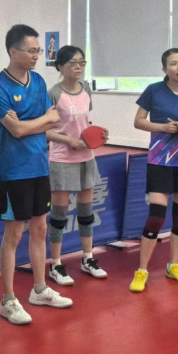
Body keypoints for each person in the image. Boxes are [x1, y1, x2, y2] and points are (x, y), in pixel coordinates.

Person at [0, 24, 72, 324]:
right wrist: (37, 122)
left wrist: (29, 123)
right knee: (13, 234)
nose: (37, 55)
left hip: (40, 167)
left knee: (39, 229)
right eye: (32, 50)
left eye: (38, 51)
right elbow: (17, 131)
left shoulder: (37, 81)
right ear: (14, 52)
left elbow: (52, 120)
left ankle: (39, 289)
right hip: (14, 172)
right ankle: (8, 300)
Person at [130, 48, 178, 292]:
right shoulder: (154, 90)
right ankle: (142, 270)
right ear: (165, 69)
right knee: (156, 216)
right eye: (173, 63)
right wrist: (162, 128)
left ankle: (174, 265)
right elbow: (138, 121)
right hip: (159, 161)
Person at [46, 45, 108, 286]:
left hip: (86, 158)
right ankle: (56, 264)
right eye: (73, 63)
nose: (78, 67)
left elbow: (84, 123)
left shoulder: (86, 90)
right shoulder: (53, 94)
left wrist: (99, 134)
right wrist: (68, 140)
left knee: (86, 211)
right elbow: (44, 131)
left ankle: (87, 258)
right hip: (61, 159)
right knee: (59, 215)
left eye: (82, 62)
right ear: (60, 66)